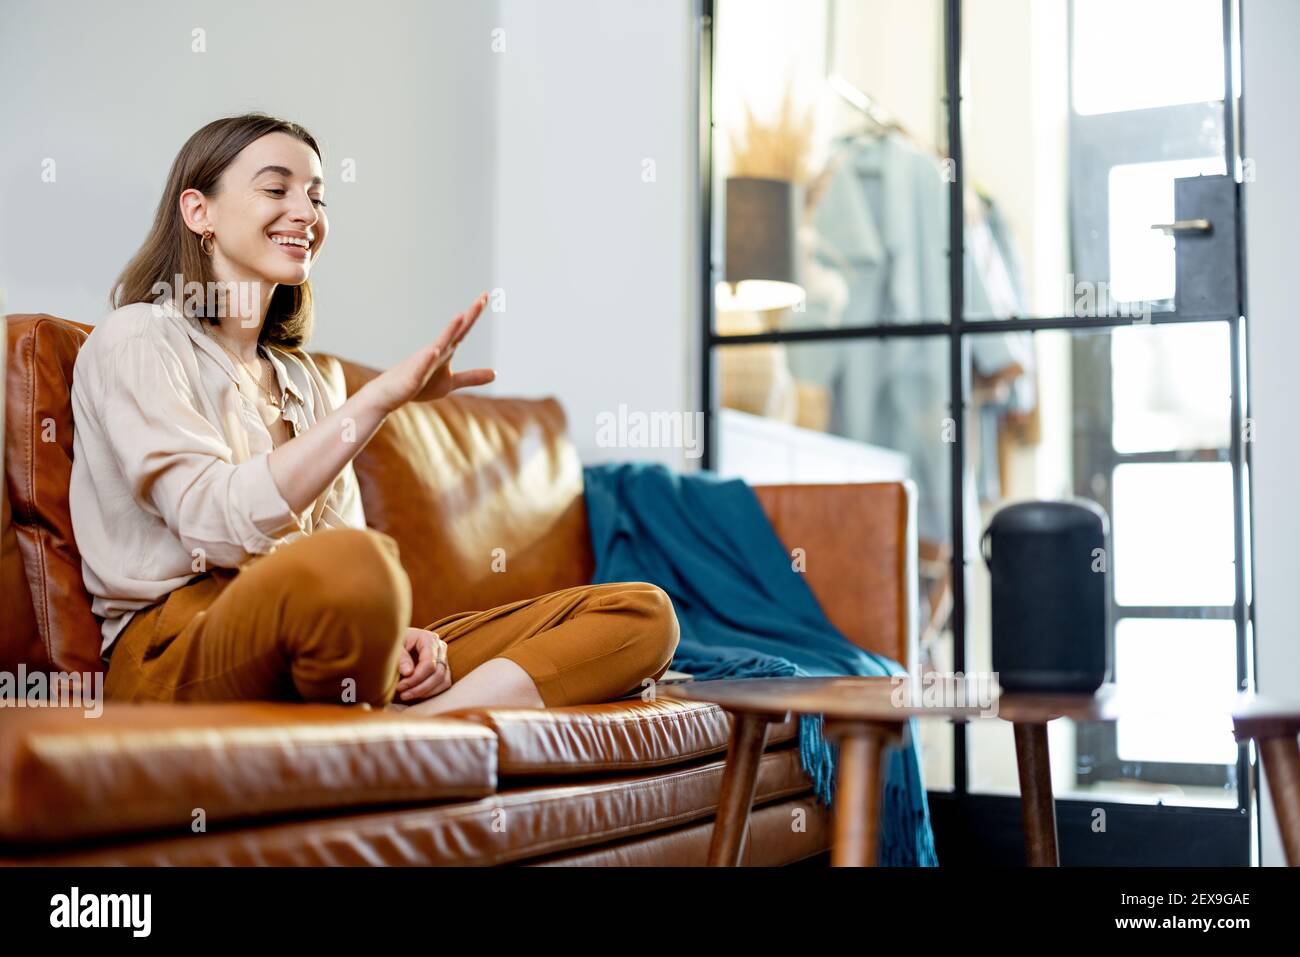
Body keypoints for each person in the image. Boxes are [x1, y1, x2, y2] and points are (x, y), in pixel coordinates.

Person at [69, 113, 679, 715]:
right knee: (358, 569)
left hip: (327, 633)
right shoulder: (139, 337)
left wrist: (405, 635)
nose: (306, 214)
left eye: (316, 195)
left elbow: (344, 545)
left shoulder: (301, 379)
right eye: (277, 189)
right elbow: (211, 526)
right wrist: (378, 401)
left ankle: (429, 733)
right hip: (178, 646)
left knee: (641, 612)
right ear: (199, 211)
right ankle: (386, 728)